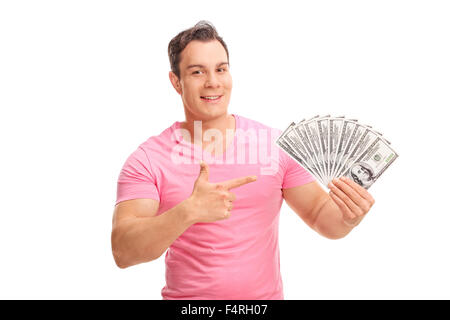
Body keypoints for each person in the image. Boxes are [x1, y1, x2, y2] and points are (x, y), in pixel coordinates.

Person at [111, 21, 376, 300]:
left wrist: (349, 217)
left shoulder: (275, 146)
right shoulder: (148, 160)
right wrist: (188, 211)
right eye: (197, 71)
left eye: (221, 69)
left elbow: (323, 218)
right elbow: (123, 251)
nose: (213, 81)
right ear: (176, 82)